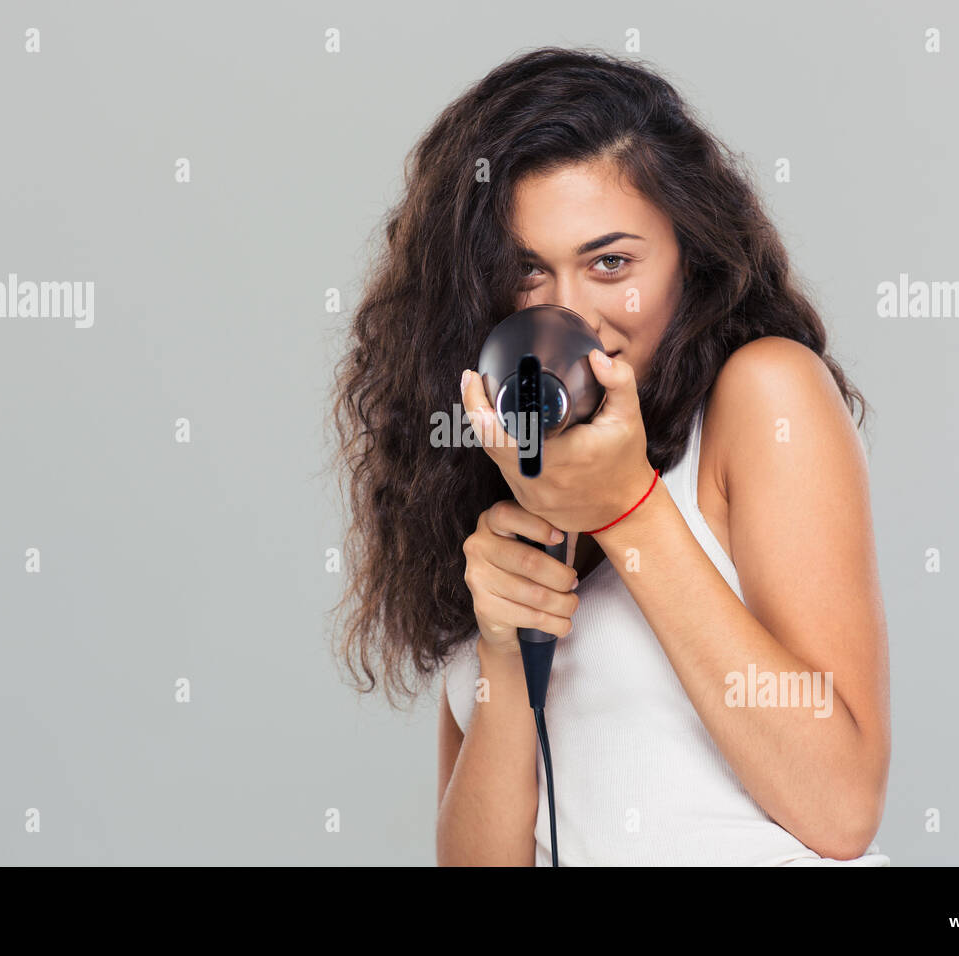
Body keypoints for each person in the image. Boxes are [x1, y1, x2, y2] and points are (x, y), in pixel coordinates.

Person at [330, 46, 891, 866]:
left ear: (689, 259)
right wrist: (503, 652)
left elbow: (842, 809)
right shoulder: (476, 488)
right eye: (526, 272)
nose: (570, 313)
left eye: (611, 263)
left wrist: (629, 509)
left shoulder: (763, 397)